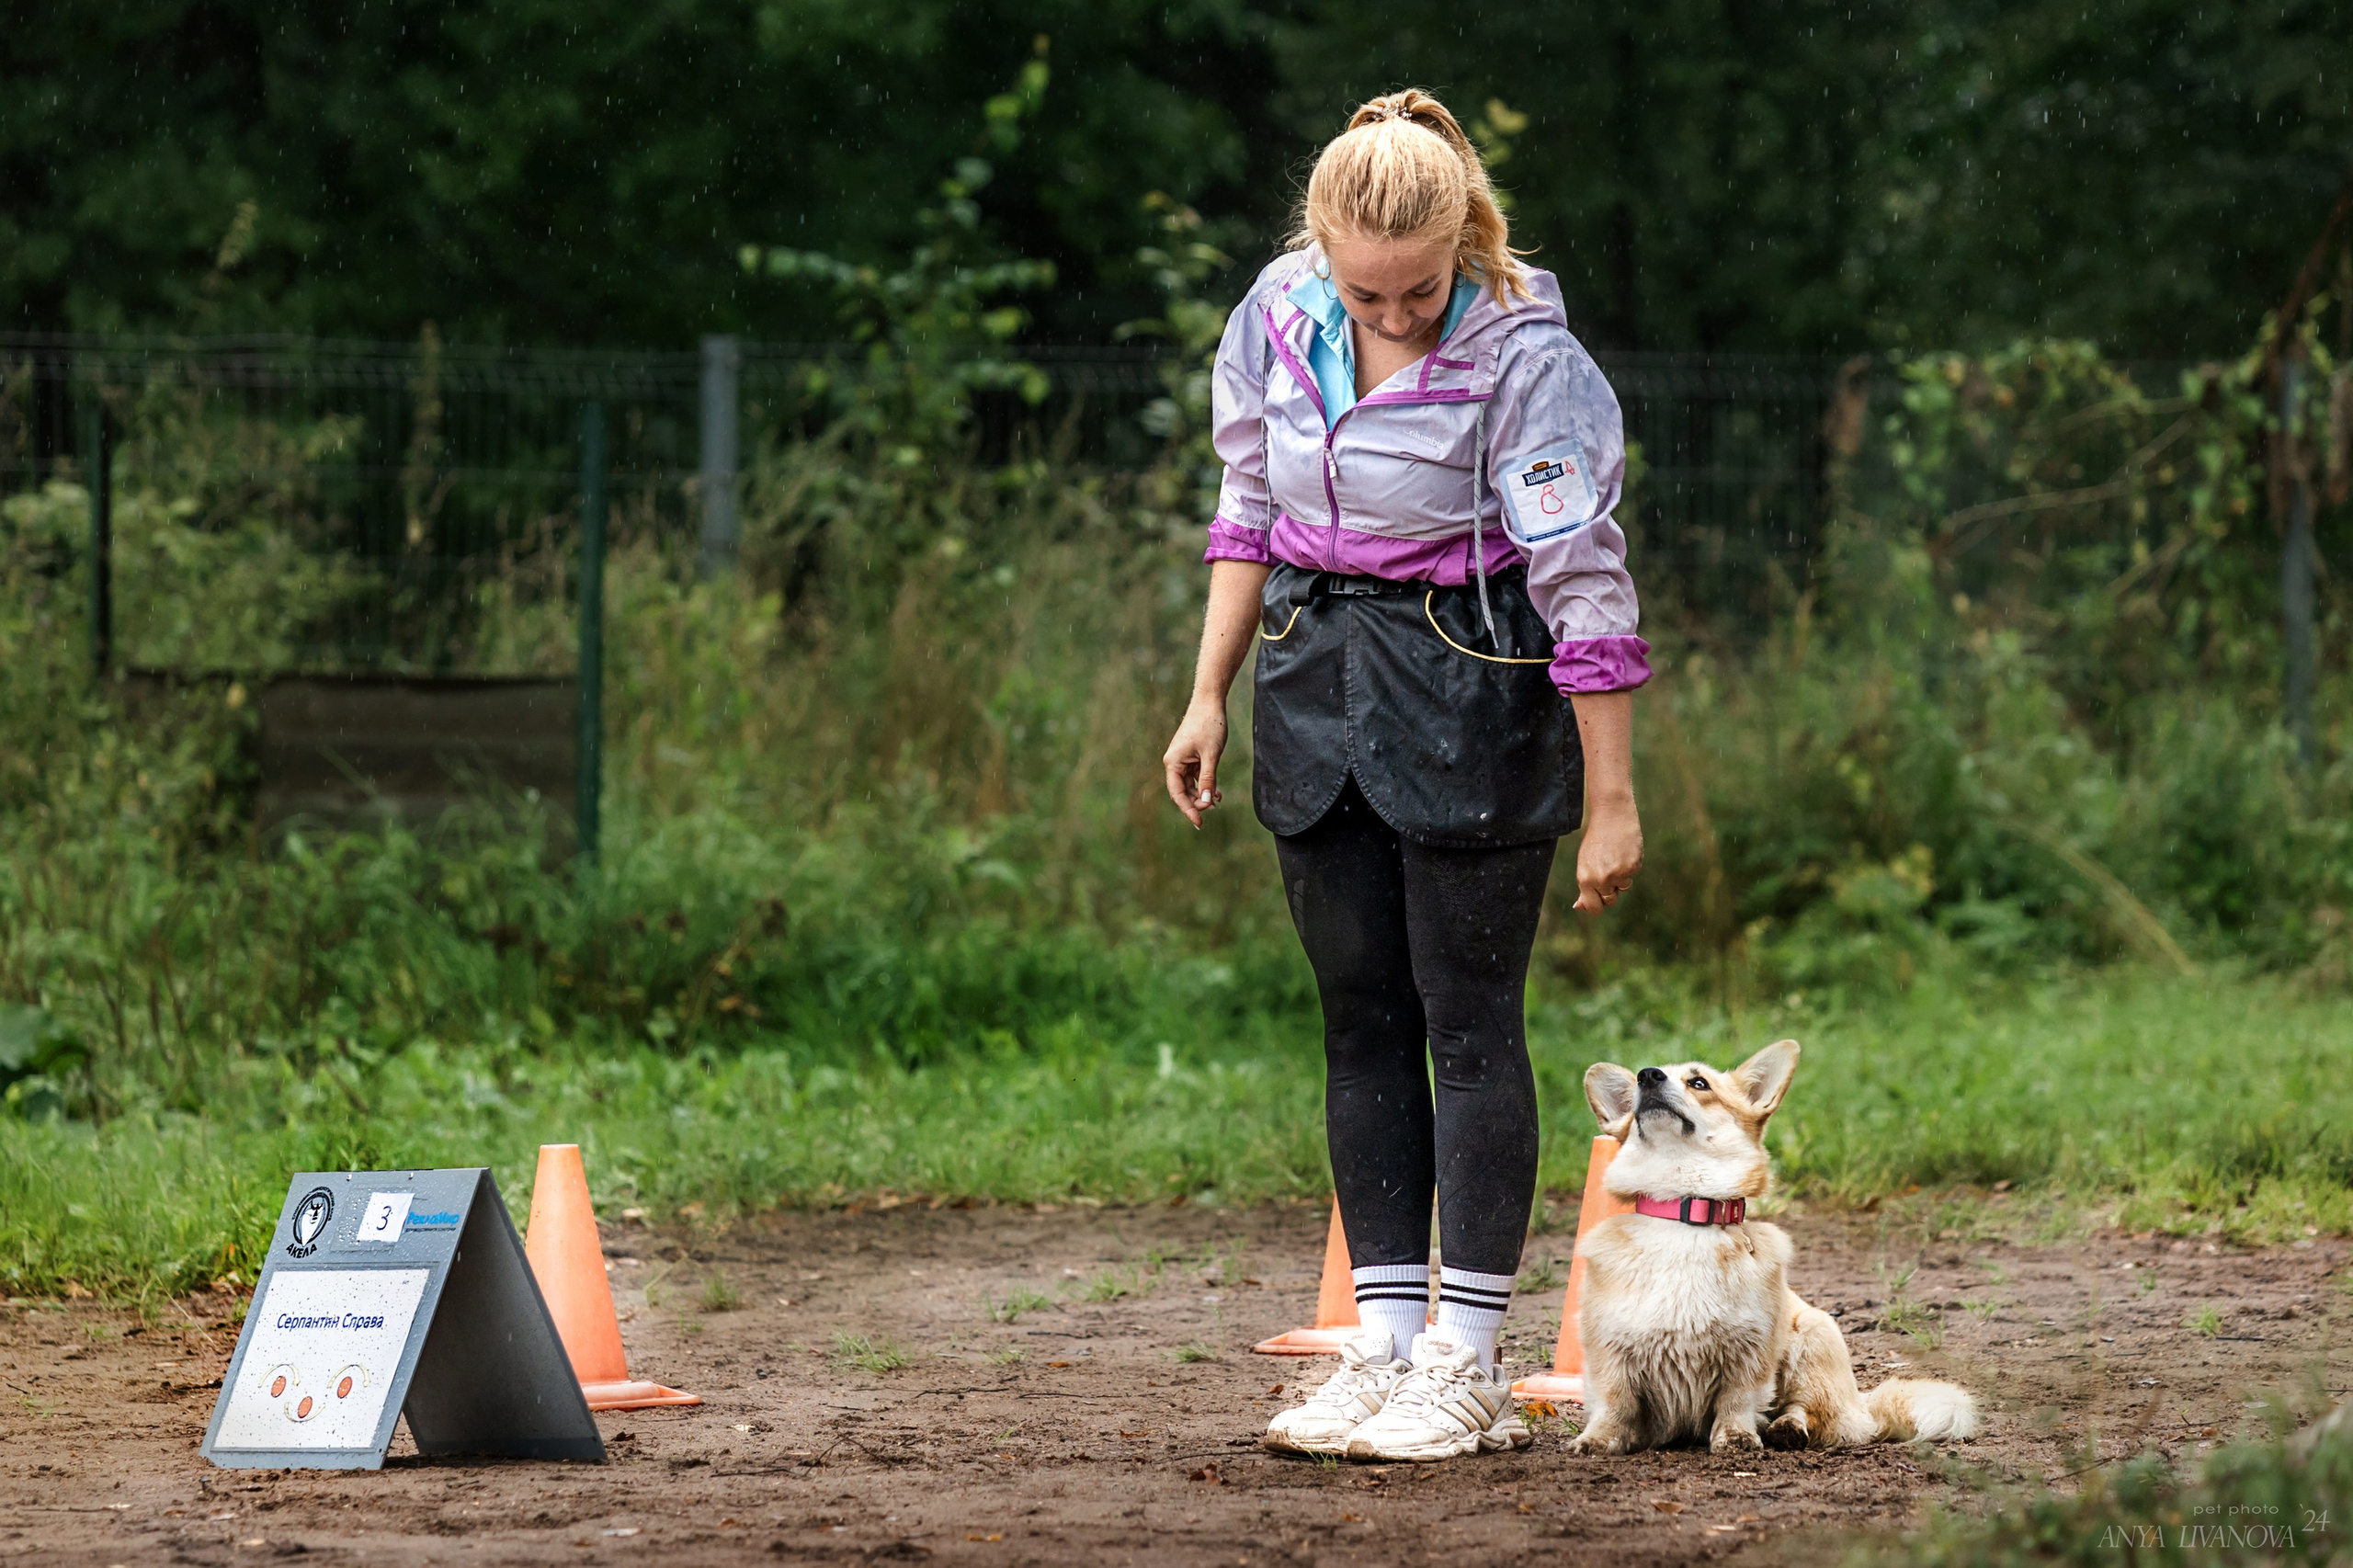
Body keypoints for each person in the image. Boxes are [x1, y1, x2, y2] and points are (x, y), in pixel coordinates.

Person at [1160, 87, 1648, 1464]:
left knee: (1470, 1019)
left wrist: (1613, 796)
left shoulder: (1526, 353)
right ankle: (1379, 1347)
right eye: (1367, 291)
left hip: (1472, 680)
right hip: (1313, 678)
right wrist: (1206, 694)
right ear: (1319, 248)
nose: (1395, 314)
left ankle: (1472, 1360)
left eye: (1420, 288)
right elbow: (1248, 509)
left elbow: (1585, 578)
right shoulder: (1273, 314)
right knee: (1358, 1013)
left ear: (1463, 241)